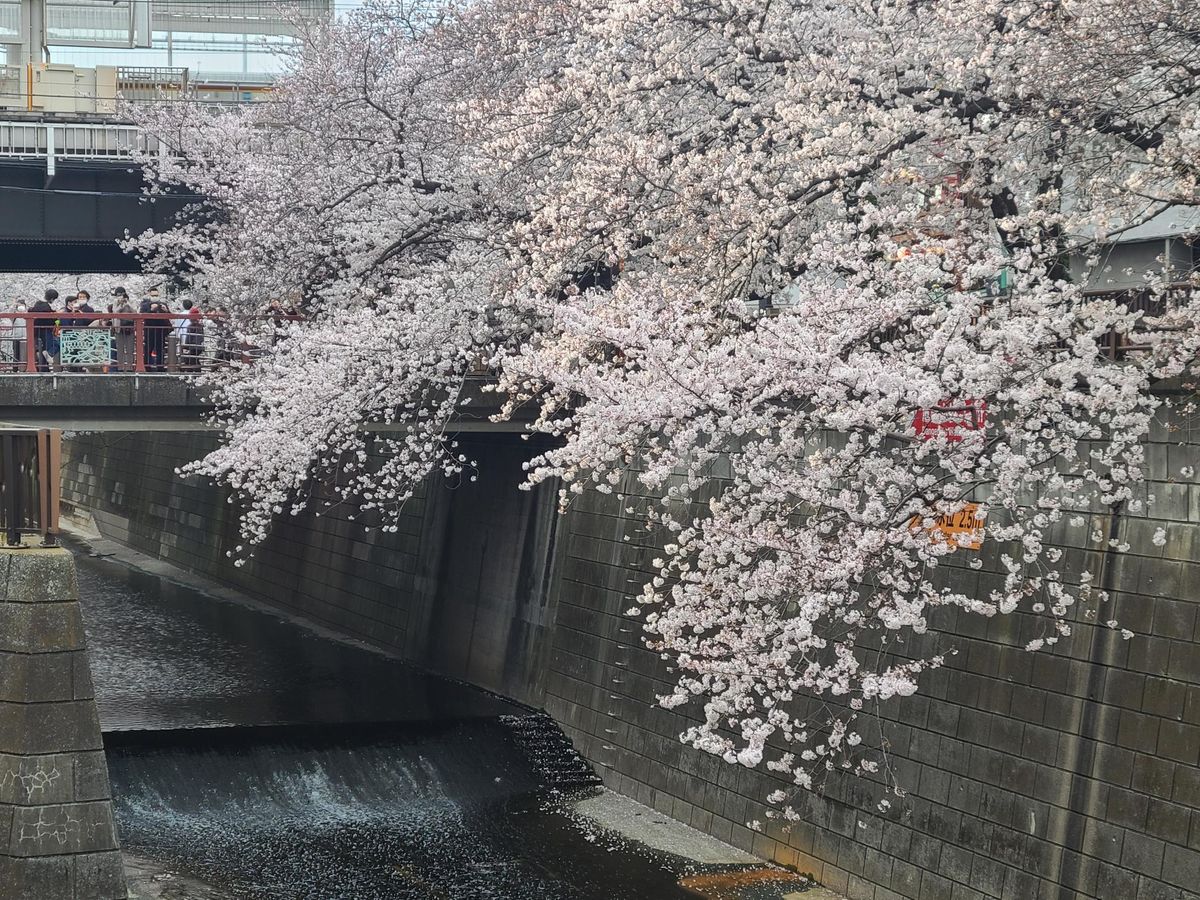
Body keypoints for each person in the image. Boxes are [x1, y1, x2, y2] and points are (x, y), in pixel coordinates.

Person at [31, 289, 58, 373]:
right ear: (52, 298)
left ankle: (43, 367)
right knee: (56, 344)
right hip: (45, 330)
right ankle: (49, 354)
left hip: (35, 330)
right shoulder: (46, 307)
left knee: (41, 349)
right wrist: (55, 318)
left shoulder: (37, 305)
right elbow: (48, 319)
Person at [113, 288, 136, 372]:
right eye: (118, 295)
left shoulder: (130, 301)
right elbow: (115, 312)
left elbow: (135, 312)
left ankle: (130, 367)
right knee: (120, 348)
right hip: (119, 327)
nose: (120, 297)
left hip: (130, 327)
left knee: (130, 348)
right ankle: (120, 367)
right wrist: (120, 305)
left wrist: (128, 304)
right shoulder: (115, 302)